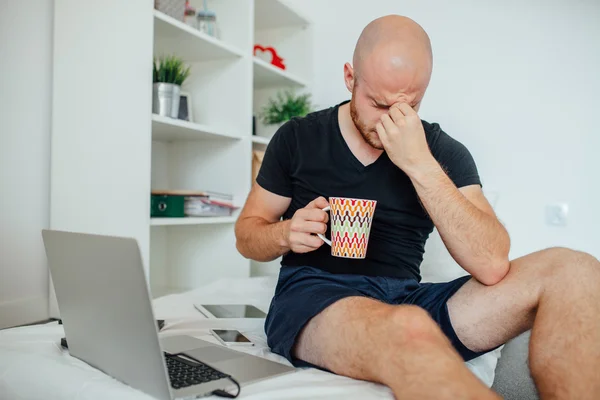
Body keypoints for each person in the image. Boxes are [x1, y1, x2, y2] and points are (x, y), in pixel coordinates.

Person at [235, 14, 600, 400]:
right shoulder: (298, 137)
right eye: (378, 103)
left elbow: (492, 264)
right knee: (407, 327)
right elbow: (247, 233)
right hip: (314, 295)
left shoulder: (441, 151)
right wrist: (283, 233)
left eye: (409, 106)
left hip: (407, 295)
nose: (390, 120)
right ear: (349, 77)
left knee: (576, 269)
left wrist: (419, 163)